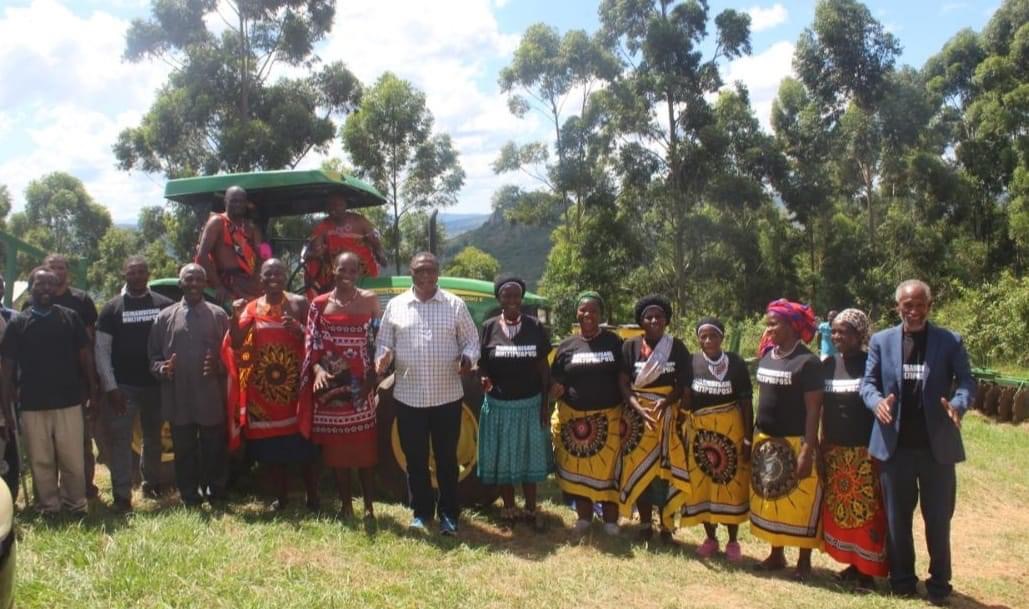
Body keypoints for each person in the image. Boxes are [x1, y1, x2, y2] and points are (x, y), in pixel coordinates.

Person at [860, 280, 975, 605]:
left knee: (938, 519)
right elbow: (868, 383)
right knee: (897, 520)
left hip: (936, 450)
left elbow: (966, 381)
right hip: (894, 449)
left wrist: (959, 404)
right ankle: (902, 581)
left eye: (919, 304)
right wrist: (876, 402)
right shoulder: (882, 341)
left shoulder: (949, 341)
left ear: (929, 305)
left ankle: (939, 584)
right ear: (898, 307)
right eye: (907, 305)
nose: (913, 311)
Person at [374, 252, 478, 536]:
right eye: (420, 270)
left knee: (446, 459)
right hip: (409, 396)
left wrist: (468, 358)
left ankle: (448, 515)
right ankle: (421, 513)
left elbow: (471, 340)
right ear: (411, 273)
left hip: (447, 396)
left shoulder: (454, 304)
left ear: (438, 272)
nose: (425, 276)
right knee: (415, 459)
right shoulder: (396, 306)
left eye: (430, 270)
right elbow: (383, 342)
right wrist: (382, 358)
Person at [1, 267, 98, 514]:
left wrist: (93, 388)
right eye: (40, 284)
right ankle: (48, 506)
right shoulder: (18, 323)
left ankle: (75, 503)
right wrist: (6, 406)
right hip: (32, 403)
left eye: (51, 285)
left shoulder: (70, 317)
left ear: (57, 288)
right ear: (31, 287)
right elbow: (7, 367)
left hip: (68, 400)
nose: (46, 289)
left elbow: (85, 356)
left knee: (72, 459)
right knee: (40, 460)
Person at [227, 259, 319, 512]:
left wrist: (300, 329)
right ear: (261, 279)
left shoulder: (299, 303)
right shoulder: (251, 307)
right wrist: (234, 317)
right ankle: (282, 497)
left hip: (294, 388)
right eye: (269, 273)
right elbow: (236, 342)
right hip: (264, 391)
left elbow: (318, 336)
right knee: (272, 449)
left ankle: (313, 496)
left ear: (286, 275)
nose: (274, 277)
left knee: (303, 444)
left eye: (279, 272)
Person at [298, 252, 381, 518]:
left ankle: (368, 506)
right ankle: (346, 505)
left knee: (364, 449)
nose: (348, 274)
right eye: (342, 268)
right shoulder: (319, 304)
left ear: (360, 272)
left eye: (353, 269)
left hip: (361, 386)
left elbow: (379, 342)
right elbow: (311, 343)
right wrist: (319, 370)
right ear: (333, 269)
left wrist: (372, 380)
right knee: (337, 453)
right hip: (332, 388)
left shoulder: (369, 301)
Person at [666, 317, 753, 561]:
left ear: (721, 338)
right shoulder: (692, 362)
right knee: (702, 484)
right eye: (703, 337)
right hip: (700, 435)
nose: (708, 341)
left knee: (730, 486)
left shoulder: (735, 363)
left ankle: (733, 541)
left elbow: (746, 402)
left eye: (712, 336)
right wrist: (681, 425)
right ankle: (711, 538)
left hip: (730, 434)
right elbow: (685, 396)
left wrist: (747, 439)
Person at [750, 298, 823, 580]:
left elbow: (814, 408)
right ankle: (776, 553)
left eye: (774, 323)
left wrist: (807, 449)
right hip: (767, 440)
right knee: (774, 497)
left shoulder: (808, 362)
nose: (768, 329)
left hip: (796, 442)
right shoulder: (768, 355)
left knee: (801, 499)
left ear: (793, 326)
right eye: (767, 323)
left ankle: (804, 561)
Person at [148, 264, 231, 507]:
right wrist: (163, 368)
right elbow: (152, 358)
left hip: (210, 395)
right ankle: (189, 495)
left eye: (198, 279)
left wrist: (219, 367)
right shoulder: (164, 318)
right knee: (183, 450)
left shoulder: (219, 315)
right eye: (189, 279)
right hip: (178, 396)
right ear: (181, 284)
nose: (194, 284)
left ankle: (216, 491)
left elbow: (232, 357)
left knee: (214, 448)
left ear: (205, 284)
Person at [95, 256, 174, 510]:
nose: (137, 276)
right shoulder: (111, 309)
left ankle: (152, 485)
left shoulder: (165, 306)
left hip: (156, 385)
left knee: (152, 438)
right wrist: (111, 387)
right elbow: (101, 351)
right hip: (124, 388)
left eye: (141, 272)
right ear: (124, 275)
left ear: (148, 274)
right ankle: (121, 495)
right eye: (132, 272)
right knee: (120, 440)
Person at [22, 253, 102, 499]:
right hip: (39, 389)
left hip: (74, 384)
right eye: (51, 268)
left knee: (79, 443)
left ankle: (84, 490)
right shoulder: (28, 307)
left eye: (61, 268)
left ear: (68, 272)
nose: (56, 273)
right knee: (44, 446)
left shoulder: (81, 301)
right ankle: (49, 496)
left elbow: (90, 343)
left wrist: (92, 384)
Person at [476, 275, 553, 529]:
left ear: (521, 298)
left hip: (530, 404)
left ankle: (531, 509)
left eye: (515, 295)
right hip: (499, 406)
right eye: (506, 296)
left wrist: (544, 404)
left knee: (529, 458)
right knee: (504, 457)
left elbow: (543, 368)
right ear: (499, 299)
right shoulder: (488, 327)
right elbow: (483, 364)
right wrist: (485, 377)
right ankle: (509, 507)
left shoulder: (535, 327)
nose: (511, 300)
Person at [821, 308, 887, 587]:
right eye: (834, 331)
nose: (837, 336)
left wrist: (877, 449)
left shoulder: (873, 364)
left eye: (844, 331)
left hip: (864, 452)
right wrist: (823, 444)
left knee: (867, 511)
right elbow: (823, 408)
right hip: (836, 451)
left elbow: (879, 409)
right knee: (843, 511)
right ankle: (852, 563)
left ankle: (867, 571)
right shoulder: (828, 365)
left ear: (859, 335)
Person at [617, 295, 691, 544]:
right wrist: (638, 408)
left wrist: (667, 403)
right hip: (638, 420)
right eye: (648, 316)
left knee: (664, 473)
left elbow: (683, 384)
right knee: (640, 470)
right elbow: (623, 384)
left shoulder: (677, 347)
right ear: (641, 321)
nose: (654, 320)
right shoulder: (630, 347)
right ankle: (645, 523)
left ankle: (667, 525)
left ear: (666, 320)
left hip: (665, 416)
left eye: (659, 316)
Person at [550, 291, 624, 537]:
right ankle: (584, 516)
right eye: (583, 310)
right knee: (579, 468)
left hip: (609, 419)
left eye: (593, 310)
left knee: (609, 470)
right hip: (575, 421)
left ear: (600, 314)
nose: (588, 315)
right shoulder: (567, 346)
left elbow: (625, 378)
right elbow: (556, 379)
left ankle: (611, 521)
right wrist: (555, 389)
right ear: (577, 313)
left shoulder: (614, 343)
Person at [303, 193, 387, 299]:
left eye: (338, 205)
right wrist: (318, 250)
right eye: (331, 206)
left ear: (345, 205)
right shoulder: (323, 225)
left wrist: (380, 254)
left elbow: (375, 241)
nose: (334, 209)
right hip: (339, 275)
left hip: (364, 273)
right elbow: (315, 247)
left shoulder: (359, 221)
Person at [196, 186, 264, 304]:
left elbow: (264, 253)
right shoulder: (217, 222)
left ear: (246, 204)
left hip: (249, 282)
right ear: (225, 202)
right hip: (227, 284)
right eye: (233, 201)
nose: (237, 204)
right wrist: (218, 286)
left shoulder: (252, 228)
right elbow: (202, 256)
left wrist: (258, 277)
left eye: (241, 201)